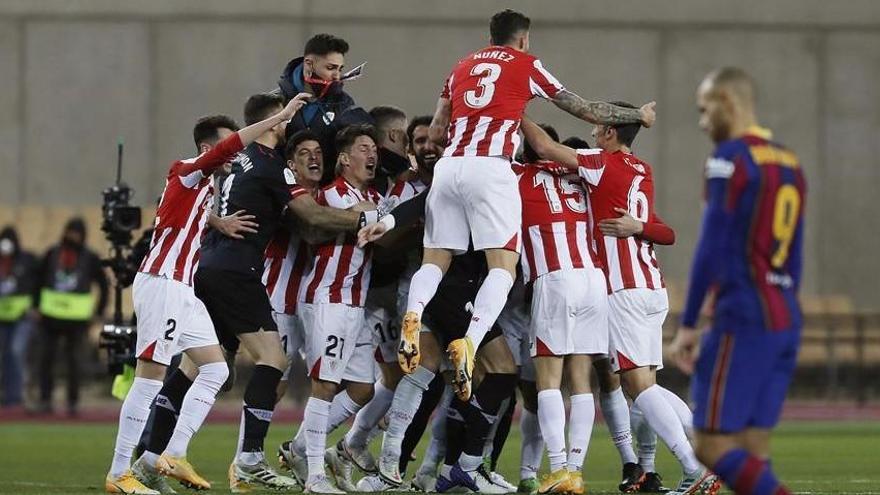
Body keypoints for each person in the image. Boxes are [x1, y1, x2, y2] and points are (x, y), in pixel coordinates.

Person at [396, 9, 656, 401]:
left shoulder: (461, 67)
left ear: (490, 36)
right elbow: (585, 109)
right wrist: (639, 115)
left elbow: (435, 131)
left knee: (435, 258)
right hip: (492, 167)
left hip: (449, 167)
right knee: (502, 265)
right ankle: (471, 339)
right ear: (522, 39)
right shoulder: (526, 64)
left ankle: (413, 312)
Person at [105, 94, 311, 495]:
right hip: (163, 283)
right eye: (228, 146)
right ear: (207, 150)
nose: (236, 154)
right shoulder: (186, 170)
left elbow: (181, 213)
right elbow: (227, 150)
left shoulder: (203, 191)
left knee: (215, 370)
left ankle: (172, 454)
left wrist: (217, 220)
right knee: (149, 378)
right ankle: (119, 473)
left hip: (186, 289)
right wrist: (282, 116)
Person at [520, 114, 719, 495]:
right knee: (645, 386)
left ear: (611, 133)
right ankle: (706, 449)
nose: (593, 134)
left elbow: (545, 148)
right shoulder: (640, 170)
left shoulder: (601, 164)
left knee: (638, 386)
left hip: (622, 288)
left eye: (598, 128)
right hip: (650, 287)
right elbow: (668, 232)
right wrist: (640, 228)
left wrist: (516, 109)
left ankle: (693, 467)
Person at [195, 93, 373, 492]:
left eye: (317, 152)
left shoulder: (305, 188)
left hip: (306, 300)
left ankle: (268, 453)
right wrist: (371, 219)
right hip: (274, 294)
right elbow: (309, 226)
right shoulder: (283, 185)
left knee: (348, 385)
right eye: (304, 152)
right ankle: (247, 459)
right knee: (272, 377)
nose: (313, 158)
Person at [669, 67, 805, 495]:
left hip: (744, 314)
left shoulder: (730, 157)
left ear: (727, 101)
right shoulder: (789, 162)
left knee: (709, 445)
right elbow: (795, 255)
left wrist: (689, 324)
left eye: (704, 109)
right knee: (753, 448)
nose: (701, 121)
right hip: (784, 316)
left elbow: (712, 244)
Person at [291, 125, 382, 494]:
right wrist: (366, 216)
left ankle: (298, 447)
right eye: (364, 148)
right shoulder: (329, 195)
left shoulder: (374, 196)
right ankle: (314, 475)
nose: (372, 155)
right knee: (324, 385)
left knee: (363, 389)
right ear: (344, 158)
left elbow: (382, 227)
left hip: (357, 303)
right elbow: (317, 226)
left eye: (374, 149)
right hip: (327, 298)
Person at [35, 217, 108, 417]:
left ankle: (72, 402)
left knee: (74, 362)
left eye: (76, 233)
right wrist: (36, 306)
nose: (72, 236)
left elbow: (103, 284)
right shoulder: (52, 254)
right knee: (46, 360)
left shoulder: (90, 258)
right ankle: (45, 400)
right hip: (50, 318)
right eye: (70, 232)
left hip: (77, 320)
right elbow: (38, 279)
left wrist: (99, 311)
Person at [277, 33, 373, 181]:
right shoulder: (277, 101)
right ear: (309, 64)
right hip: (280, 191)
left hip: (325, 191)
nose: (337, 76)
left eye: (340, 69)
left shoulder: (344, 104)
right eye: (330, 68)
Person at [0, 226, 38, 408]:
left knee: (16, 353)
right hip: (2, 318)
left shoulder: (27, 260)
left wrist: (36, 306)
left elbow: (39, 282)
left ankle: (15, 396)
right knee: (5, 356)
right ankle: (7, 395)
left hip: (21, 317)